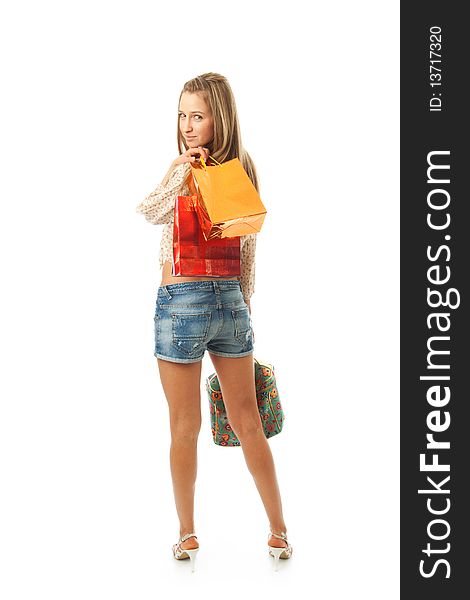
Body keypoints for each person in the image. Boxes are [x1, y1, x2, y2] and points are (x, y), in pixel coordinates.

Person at [136, 72, 292, 570]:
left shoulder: (206, 169)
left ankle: (186, 536)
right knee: (248, 421)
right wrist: (242, 305)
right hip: (230, 304)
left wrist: (175, 175)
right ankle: (279, 531)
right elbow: (248, 249)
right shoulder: (243, 168)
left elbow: (151, 213)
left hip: (181, 301)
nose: (187, 124)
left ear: (219, 116)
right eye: (182, 115)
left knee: (185, 427)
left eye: (197, 115)